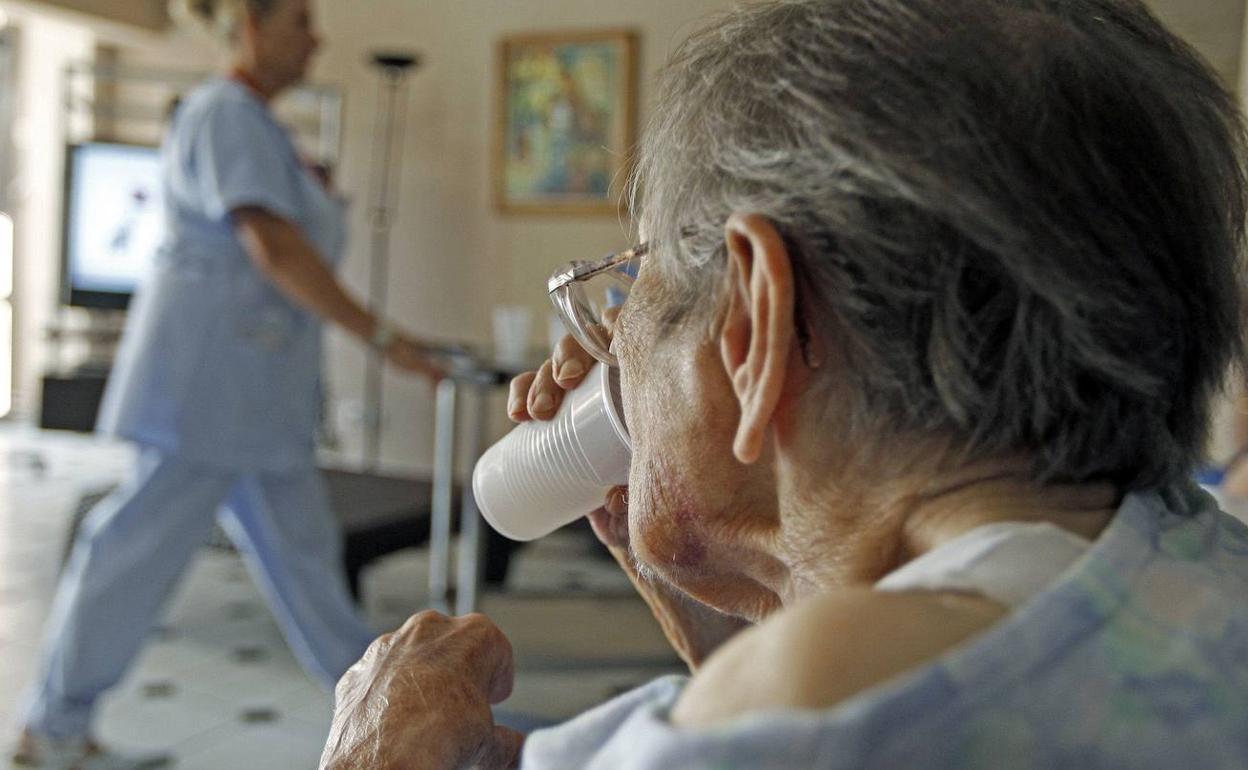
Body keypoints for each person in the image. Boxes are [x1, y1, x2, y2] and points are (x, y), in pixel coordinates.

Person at [318, 0, 1248, 767]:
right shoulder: (1206, 570)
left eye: (633, 285)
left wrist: (382, 750)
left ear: (760, 319)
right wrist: (760, 592)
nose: (611, 346)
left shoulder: (799, 714)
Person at [11, 1, 443, 767]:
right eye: (299, 22)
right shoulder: (224, 115)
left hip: (254, 397)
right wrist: (385, 338)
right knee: (130, 555)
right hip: (204, 390)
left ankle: (411, 724)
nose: (316, 39)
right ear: (249, 23)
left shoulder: (262, 129)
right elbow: (275, 247)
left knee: (309, 567)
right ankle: (53, 726)